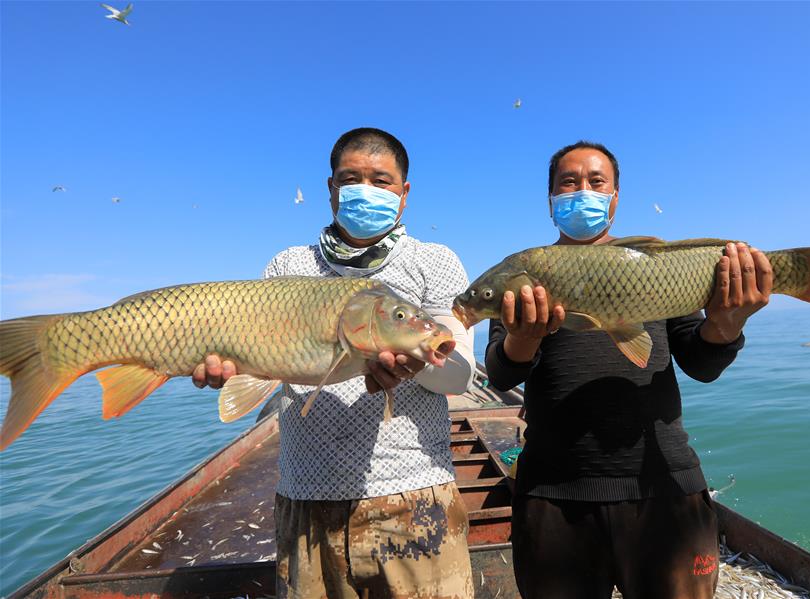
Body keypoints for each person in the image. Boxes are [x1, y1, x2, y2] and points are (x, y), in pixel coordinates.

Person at [193, 128, 476, 599]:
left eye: (381, 181)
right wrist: (223, 365)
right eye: (352, 178)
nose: (366, 189)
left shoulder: (434, 260)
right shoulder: (288, 265)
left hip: (414, 495)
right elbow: (255, 367)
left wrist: (415, 363)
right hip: (304, 500)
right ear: (331, 188)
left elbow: (459, 372)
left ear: (404, 194)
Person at [485, 141, 772, 599]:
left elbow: (700, 362)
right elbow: (500, 374)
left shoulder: (653, 269)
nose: (583, 191)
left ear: (615, 198)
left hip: (664, 484)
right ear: (551, 199)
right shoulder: (525, 273)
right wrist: (526, 335)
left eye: (596, 182)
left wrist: (727, 321)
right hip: (553, 491)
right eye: (569, 182)